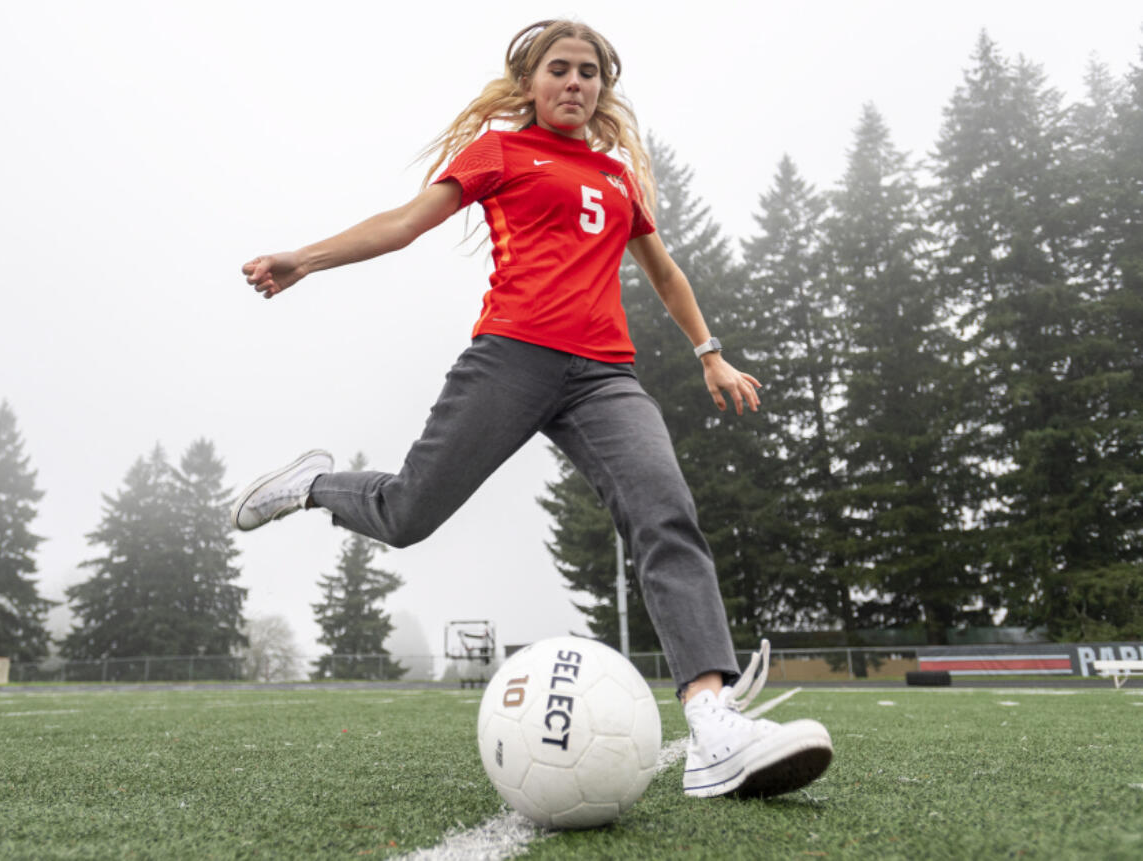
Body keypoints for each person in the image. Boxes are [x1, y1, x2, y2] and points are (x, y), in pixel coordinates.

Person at [232, 19, 832, 799]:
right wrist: (302, 259)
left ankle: (711, 721)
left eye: (590, 73)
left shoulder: (619, 178)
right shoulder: (499, 153)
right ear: (530, 85)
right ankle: (313, 486)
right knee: (409, 514)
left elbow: (664, 271)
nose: (576, 83)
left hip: (605, 376)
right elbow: (405, 224)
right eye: (561, 69)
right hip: (512, 357)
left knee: (665, 510)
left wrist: (708, 351)